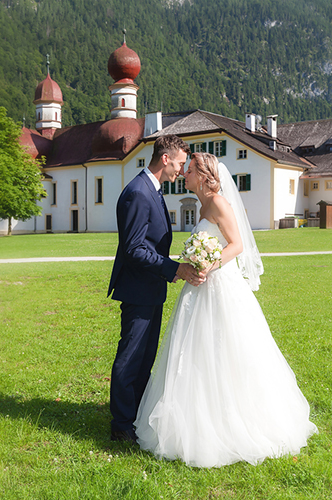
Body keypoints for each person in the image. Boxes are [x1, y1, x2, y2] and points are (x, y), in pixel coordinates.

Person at [134, 152, 317, 467]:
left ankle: (237, 419)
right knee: (193, 353)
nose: (184, 175)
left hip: (222, 287)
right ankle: (193, 415)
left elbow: (237, 244)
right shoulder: (203, 207)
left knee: (229, 349)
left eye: (189, 170)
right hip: (199, 291)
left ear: (203, 176)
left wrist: (209, 263)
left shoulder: (219, 204)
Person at [108, 135, 205, 443]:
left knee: (144, 356)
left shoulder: (152, 189)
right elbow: (134, 248)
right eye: (179, 163)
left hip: (150, 287)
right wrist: (174, 268)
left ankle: (134, 414)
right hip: (138, 288)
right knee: (131, 357)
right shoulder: (138, 192)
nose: (180, 170)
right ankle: (121, 425)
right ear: (165, 159)